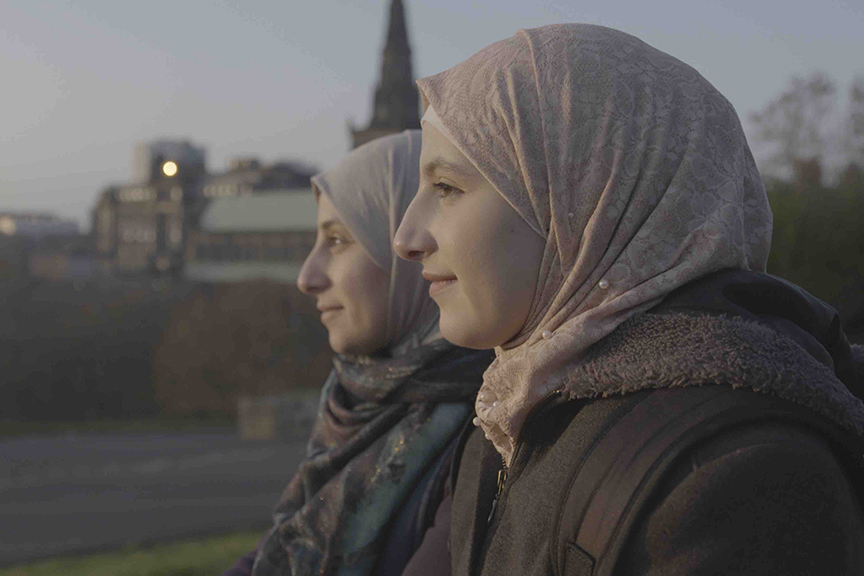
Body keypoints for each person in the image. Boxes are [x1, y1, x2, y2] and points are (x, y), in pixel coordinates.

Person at [393, 24, 864, 575]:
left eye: (446, 188)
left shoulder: (735, 474)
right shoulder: (510, 415)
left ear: (585, 195)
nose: (405, 237)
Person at [224, 130, 494, 576]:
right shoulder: (353, 399)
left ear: (410, 248)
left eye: (337, 241)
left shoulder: (490, 432)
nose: (306, 277)